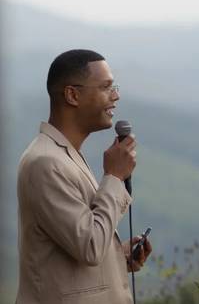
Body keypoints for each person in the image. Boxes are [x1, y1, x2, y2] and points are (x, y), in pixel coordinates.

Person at [16, 49, 152, 304]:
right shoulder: (45, 162)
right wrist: (113, 176)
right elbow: (89, 245)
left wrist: (117, 257)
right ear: (72, 95)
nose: (116, 96)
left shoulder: (65, 155)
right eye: (106, 87)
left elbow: (75, 245)